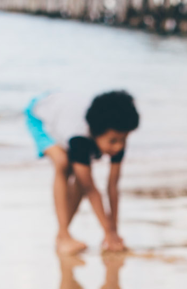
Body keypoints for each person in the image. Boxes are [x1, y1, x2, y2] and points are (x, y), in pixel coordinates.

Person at [25, 90, 140, 255]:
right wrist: (108, 232)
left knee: (81, 177)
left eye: (123, 139)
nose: (119, 146)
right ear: (95, 133)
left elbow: (112, 186)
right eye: (113, 141)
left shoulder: (116, 134)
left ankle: (62, 235)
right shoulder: (79, 138)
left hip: (65, 112)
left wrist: (113, 232)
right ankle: (63, 236)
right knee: (63, 163)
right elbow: (91, 189)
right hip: (39, 115)